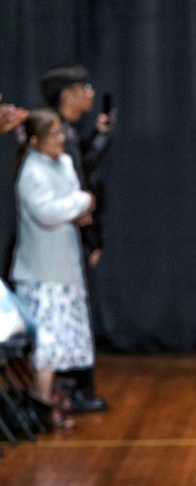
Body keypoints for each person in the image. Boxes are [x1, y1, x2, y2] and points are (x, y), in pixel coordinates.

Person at [10, 110, 96, 427]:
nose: (61, 139)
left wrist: (78, 207)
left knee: (62, 341)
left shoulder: (64, 163)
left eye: (62, 132)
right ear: (35, 141)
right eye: (53, 134)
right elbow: (47, 212)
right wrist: (83, 202)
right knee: (47, 341)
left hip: (65, 268)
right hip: (41, 273)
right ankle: (42, 405)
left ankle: (49, 400)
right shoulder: (31, 171)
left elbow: (70, 199)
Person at [40, 64, 116, 413]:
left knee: (76, 313)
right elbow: (68, 190)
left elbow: (81, 171)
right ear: (66, 95)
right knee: (65, 316)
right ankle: (69, 389)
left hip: (74, 237)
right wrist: (88, 230)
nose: (90, 94)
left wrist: (100, 135)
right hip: (57, 243)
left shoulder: (70, 133)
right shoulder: (52, 134)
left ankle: (74, 388)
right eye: (84, 88)